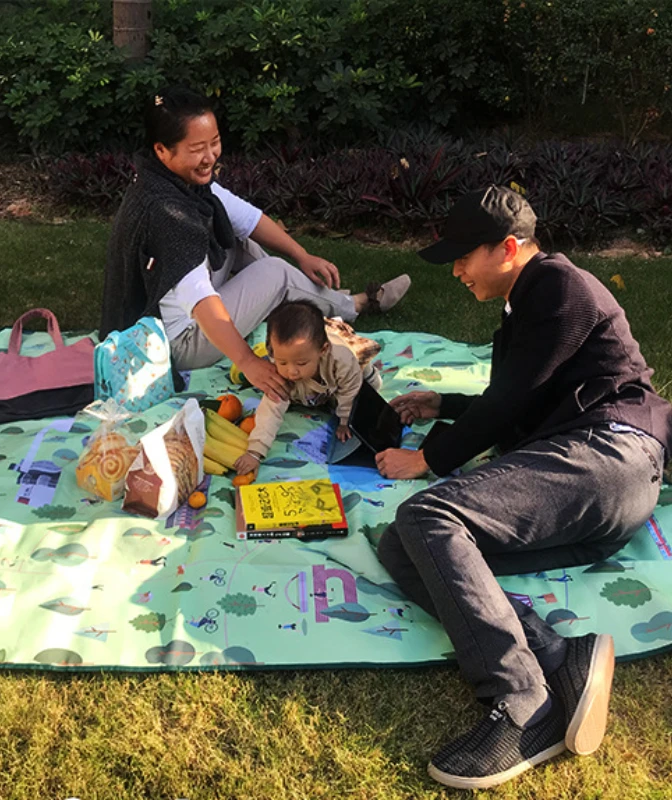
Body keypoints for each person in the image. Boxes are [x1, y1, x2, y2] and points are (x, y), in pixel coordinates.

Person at [374, 185, 672, 790]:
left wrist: (429, 457)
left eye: (464, 257)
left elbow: (511, 400)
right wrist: (444, 403)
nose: (456, 271)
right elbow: (519, 401)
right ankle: (557, 656)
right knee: (403, 545)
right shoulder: (527, 304)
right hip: (592, 484)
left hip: (609, 458)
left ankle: (522, 701)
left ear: (508, 248)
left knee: (430, 516)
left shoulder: (559, 287)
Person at [100, 86, 411, 401]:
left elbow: (246, 218)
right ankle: (354, 305)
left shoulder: (172, 180)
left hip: (182, 308)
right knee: (276, 273)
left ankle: (305, 301)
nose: (210, 156)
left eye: (214, 142)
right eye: (197, 149)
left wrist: (302, 255)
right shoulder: (168, 214)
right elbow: (200, 299)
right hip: (179, 341)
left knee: (236, 237)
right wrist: (247, 361)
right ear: (162, 150)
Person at [234, 300, 382, 475]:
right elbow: (270, 411)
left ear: (323, 350)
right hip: (315, 386)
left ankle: (367, 371)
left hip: (347, 362)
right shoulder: (280, 371)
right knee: (275, 386)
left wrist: (345, 421)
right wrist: (255, 452)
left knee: (369, 386)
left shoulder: (341, 361)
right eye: (282, 362)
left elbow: (350, 391)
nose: (291, 372)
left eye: (301, 363)